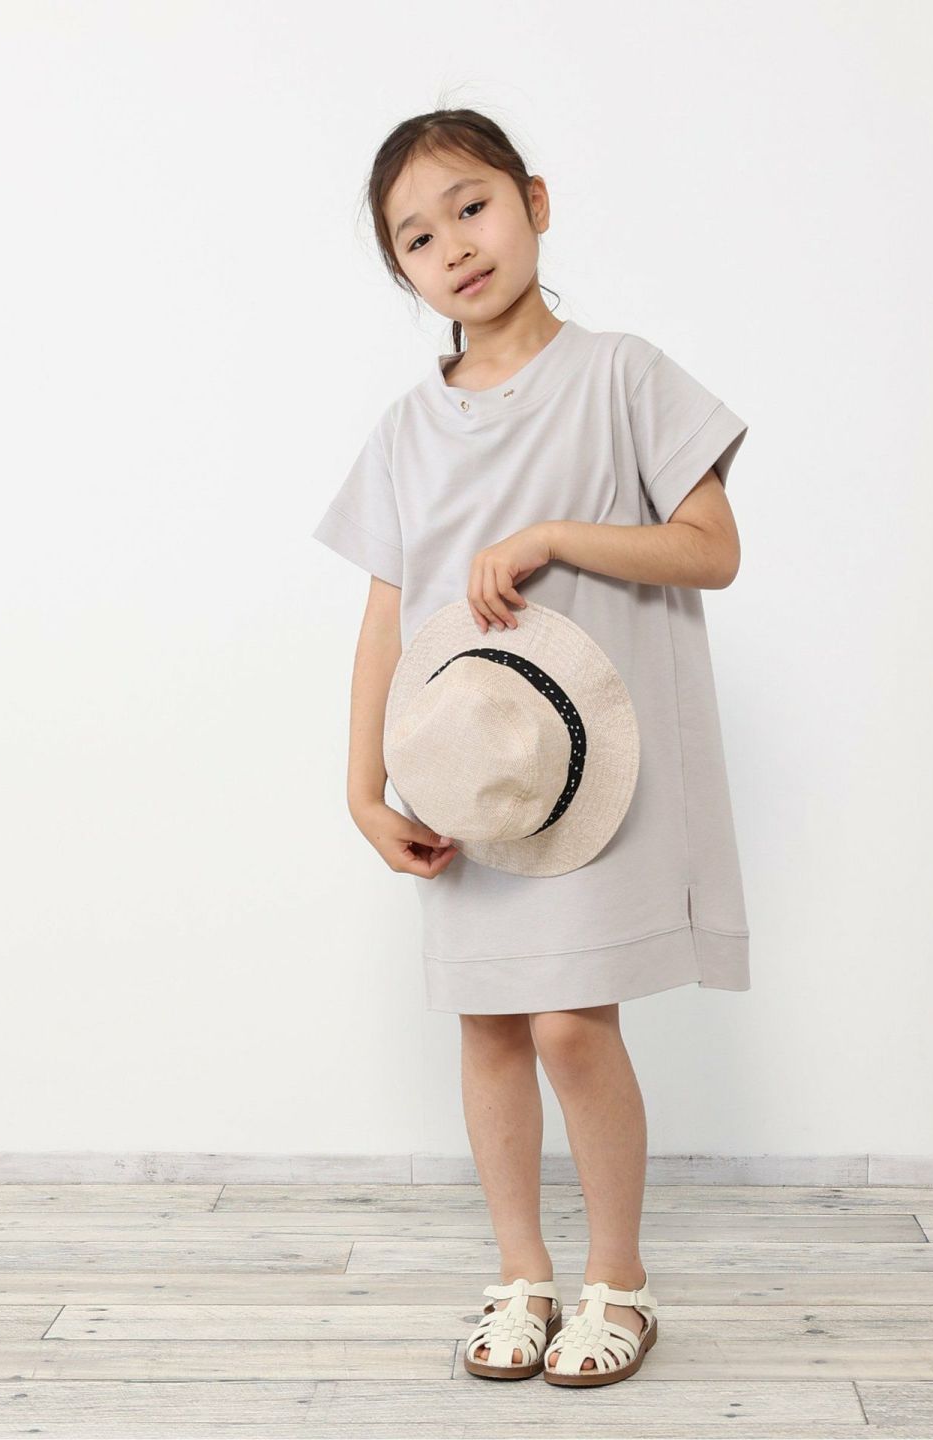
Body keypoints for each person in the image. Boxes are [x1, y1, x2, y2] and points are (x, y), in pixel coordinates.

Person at [311, 107, 751, 1387]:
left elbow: (711, 550)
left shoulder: (621, 376)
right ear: (401, 272)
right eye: (417, 236)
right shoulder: (406, 431)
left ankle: (619, 1281)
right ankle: (522, 1275)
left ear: (535, 202)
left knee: (569, 1023)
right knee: (493, 1027)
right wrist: (363, 786)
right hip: (475, 778)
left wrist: (557, 535)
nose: (454, 244)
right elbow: (386, 618)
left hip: (592, 772)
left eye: (473, 206)